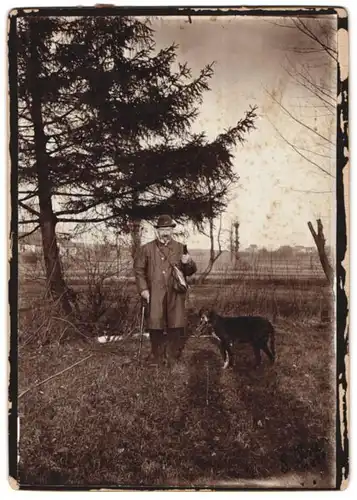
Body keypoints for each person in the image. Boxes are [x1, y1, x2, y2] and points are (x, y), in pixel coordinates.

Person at [134, 215, 197, 366]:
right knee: (155, 324)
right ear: (157, 231)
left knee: (175, 325)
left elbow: (190, 271)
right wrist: (143, 290)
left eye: (168, 229)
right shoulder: (147, 249)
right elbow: (139, 271)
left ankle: (171, 357)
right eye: (162, 229)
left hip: (175, 293)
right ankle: (157, 356)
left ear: (172, 230)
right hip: (154, 293)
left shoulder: (181, 248)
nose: (165, 232)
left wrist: (188, 263)